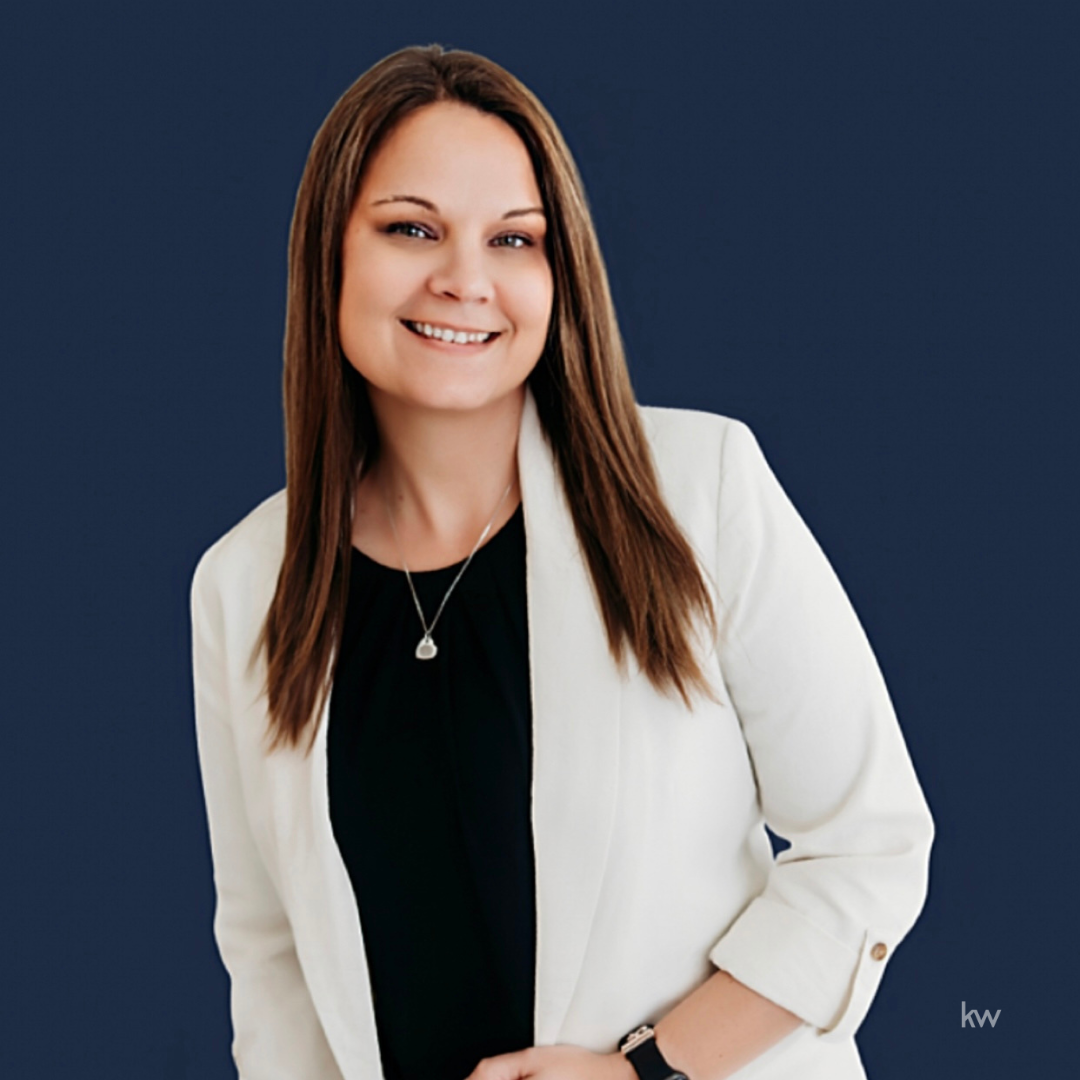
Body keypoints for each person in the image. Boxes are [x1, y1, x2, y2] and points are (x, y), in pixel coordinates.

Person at [189, 43, 934, 1080]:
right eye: (412, 229)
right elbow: (271, 963)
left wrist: (649, 1070)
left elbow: (869, 845)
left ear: (559, 272)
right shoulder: (242, 585)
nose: (465, 280)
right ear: (329, 257)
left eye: (514, 239)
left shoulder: (697, 490)